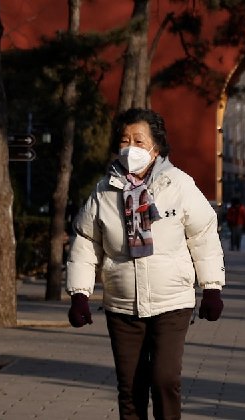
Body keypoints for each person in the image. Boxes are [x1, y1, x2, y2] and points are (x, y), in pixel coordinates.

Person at [65, 108, 225, 420]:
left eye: (140, 141)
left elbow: (204, 235)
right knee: (131, 387)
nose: (131, 148)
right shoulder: (104, 191)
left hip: (172, 302)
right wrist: (79, 294)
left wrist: (211, 289)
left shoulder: (178, 185)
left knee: (164, 380)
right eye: (125, 141)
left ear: (157, 147)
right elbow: (85, 241)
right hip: (122, 305)